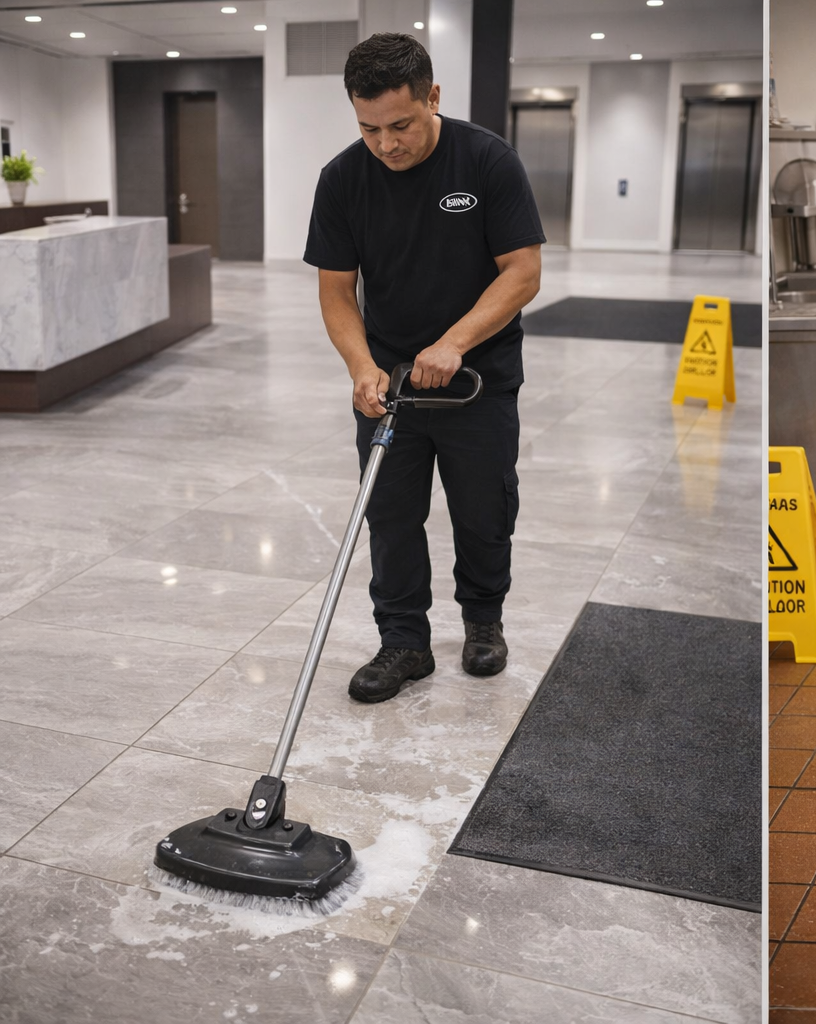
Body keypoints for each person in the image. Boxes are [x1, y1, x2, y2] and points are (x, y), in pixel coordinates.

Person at [304, 32, 545, 703]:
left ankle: (483, 624)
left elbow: (523, 273)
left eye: (401, 125)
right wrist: (360, 366)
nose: (387, 143)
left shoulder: (487, 161)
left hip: (478, 379)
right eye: (369, 128)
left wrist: (455, 343)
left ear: (432, 97)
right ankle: (404, 641)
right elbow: (335, 291)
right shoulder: (343, 179)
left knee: (483, 509)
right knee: (390, 513)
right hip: (391, 384)